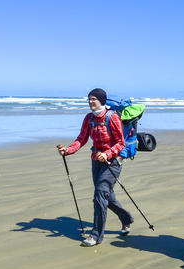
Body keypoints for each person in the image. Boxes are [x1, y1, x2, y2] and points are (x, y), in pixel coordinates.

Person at [57, 88, 133, 247]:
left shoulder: (112, 117)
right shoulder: (89, 118)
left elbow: (120, 143)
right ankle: (126, 218)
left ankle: (96, 235)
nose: (90, 102)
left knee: (99, 195)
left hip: (113, 162)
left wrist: (108, 154)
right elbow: (81, 139)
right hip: (96, 161)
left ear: (101, 100)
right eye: (89, 99)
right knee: (106, 196)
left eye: (93, 99)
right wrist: (68, 151)